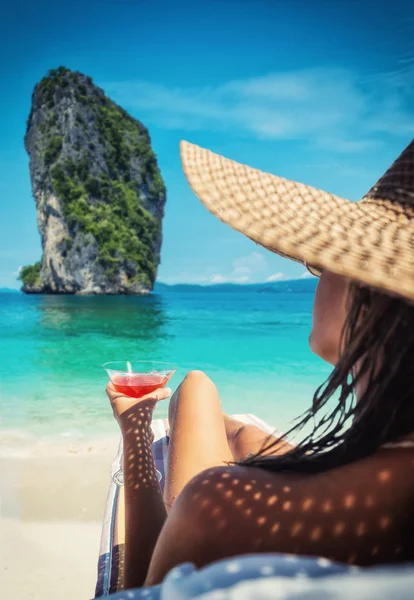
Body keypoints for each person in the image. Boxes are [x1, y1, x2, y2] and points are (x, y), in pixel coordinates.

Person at [106, 138, 414, 590]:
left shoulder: (218, 510)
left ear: (371, 292)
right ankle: (228, 427)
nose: (318, 274)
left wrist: (135, 432)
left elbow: (137, 593)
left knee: (195, 388)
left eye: (322, 262)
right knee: (222, 414)